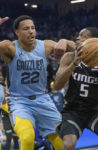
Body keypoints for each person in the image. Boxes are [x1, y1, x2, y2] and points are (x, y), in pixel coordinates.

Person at [0, 15, 75, 150]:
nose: (31, 31)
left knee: (64, 142)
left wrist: (65, 41)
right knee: (28, 137)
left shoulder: (46, 45)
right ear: (17, 32)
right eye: (26, 29)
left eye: (33, 28)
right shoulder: (9, 47)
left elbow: (82, 50)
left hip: (42, 98)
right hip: (19, 101)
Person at [53, 27, 98, 150]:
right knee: (69, 143)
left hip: (96, 110)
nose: (78, 38)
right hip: (72, 110)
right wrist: (74, 63)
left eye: (83, 36)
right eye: (78, 35)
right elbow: (57, 86)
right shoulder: (69, 57)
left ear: (94, 42)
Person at [0, 73, 19, 150]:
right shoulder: (2, 90)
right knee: (9, 137)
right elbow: (3, 103)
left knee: (15, 138)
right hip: (5, 116)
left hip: (14, 116)